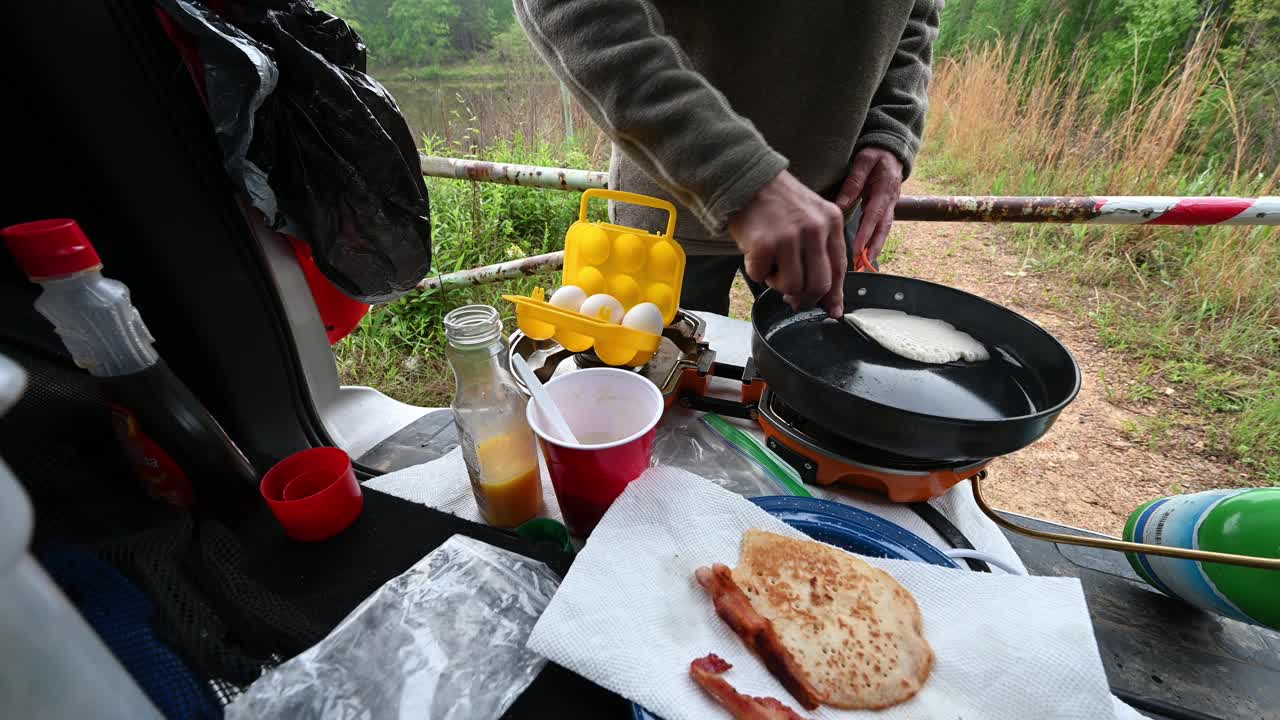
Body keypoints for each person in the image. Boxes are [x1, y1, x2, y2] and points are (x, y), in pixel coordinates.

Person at [515, 1, 939, 318]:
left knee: (837, 410)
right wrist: (737, 177)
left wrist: (893, 126)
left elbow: (920, 11)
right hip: (665, 216)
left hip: (829, 214)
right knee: (653, 409)